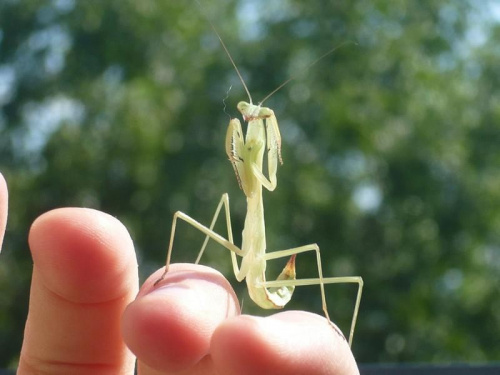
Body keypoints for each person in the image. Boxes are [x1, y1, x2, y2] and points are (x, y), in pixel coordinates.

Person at [0, 173, 360, 374]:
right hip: (218, 298)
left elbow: (266, 179)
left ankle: (332, 322)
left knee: (329, 266)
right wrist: (184, 275)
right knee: (214, 210)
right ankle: (182, 277)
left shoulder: (263, 185)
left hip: (269, 288)